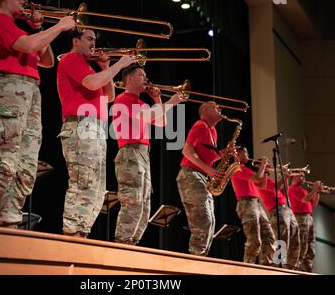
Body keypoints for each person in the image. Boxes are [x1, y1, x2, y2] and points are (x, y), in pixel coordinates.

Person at [0, 0, 76, 228]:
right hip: (7, 91)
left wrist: (40, 29)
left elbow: (47, 61)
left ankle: (10, 221)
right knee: (2, 159)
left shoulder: (21, 31)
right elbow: (28, 46)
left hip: (30, 93)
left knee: (25, 166)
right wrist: (58, 27)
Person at [57, 28, 135, 238]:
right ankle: (71, 233)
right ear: (75, 41)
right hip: (81, 125)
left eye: (95, 40)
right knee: (83, 181)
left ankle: (81, 232)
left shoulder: (89, 68)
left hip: (95, 128)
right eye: (89, 39)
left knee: (96, 186)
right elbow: (92, 84)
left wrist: (107, 67)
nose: (94, 43)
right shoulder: (71, 59)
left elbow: (108, 96)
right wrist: (120, 65)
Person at [112, 64, 185, 245]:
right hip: (130, 152)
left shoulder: (142, 103)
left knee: (144, 203)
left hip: (143, 153)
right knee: (133, 200)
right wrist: (172, 102)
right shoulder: (123, 98)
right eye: (141, 75)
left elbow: (161, 122)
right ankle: (122, 241)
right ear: (129, 79)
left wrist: (158, 100)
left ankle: (132, 242)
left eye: (145, 75)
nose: (146, 78)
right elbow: (145, 117)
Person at [176, 101, 225, 256]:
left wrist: (225, 153)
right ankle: (196, 257)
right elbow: (187, 150)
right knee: (203, 219)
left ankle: (201, 256)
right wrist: (209, 170)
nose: (219, 109)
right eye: (215, 107)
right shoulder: (200, 125)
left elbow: (208, 155)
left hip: (201, 176)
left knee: (210, 221)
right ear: (204, 111)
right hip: (191, 174)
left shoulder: (213, 131)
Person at [230, 146, 276, 266]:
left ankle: (266, 267)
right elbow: (257, 178)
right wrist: (263, 165)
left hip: (256, 203)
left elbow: (262, 186)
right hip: (246, 203)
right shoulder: (238, 168)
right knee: (254, 241)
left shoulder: (246, 169)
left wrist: (265, 171)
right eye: (245, 152)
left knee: (270, 237)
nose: (247, 155)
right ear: (237, 154)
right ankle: (248, 268)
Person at [257, 171, 300, 270]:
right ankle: (279, 265)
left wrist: (286, 178)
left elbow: (285, 192)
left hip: (286, 208)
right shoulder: (260, 181)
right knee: (282, 238)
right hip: (276, 209)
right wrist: (283, 176)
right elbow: (275, 188)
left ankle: (291, 265)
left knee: (294, 235)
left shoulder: (270, 180)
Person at [288, 173, 321, 272]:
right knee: (302, 244)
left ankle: (308, 269)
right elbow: (305, 200)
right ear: (293, 177)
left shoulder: (303, 190)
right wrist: (314, 189)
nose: (304, 178)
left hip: (309, 217)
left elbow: (314, 203)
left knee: (310, 244)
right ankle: (297, 269)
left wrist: (317, 192)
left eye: (304, 176)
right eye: (301, 176)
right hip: (300, 217)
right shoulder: (292, 189)